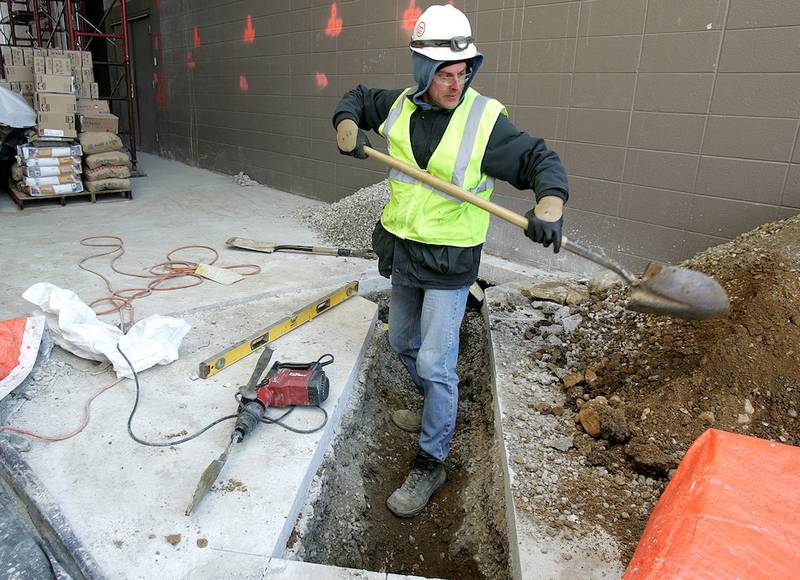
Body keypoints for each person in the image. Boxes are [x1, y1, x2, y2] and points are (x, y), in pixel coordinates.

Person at [333, 4, 569, 518]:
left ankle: (432, 458)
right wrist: (347, 122)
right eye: (444, 74)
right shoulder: (397, 106)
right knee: (401, 341)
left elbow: (538, 159)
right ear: (422, 70)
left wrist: (549, 202)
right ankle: (433, 410)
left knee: (436, 363)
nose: (455, 84)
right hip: (405, 250)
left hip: (451, 262)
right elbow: (354, 97)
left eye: (463, 72)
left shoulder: (485, 122)